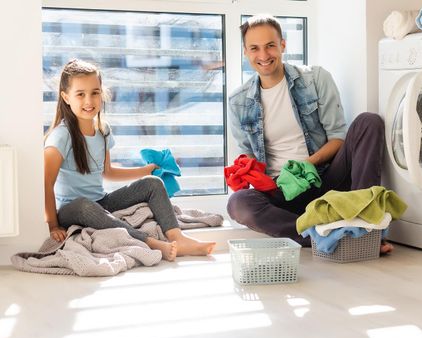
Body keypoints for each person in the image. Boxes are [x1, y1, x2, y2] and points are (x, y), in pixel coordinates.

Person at [227, 14, 392, 253]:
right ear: (245, 52)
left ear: (282, 45)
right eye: (254, 48)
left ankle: (364, 225)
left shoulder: (315, 79)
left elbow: (338, 137)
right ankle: (323, 235)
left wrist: (306, 166)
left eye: (270, 46)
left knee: (369, 122)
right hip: (281, 191)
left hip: (325, 179)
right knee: (238, 204)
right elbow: (247, 158)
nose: (263, 56)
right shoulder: (238, 101)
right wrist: (246, 174)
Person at [44, 59, 215, 261]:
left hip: (100, 202)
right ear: (66, 97)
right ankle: (149, 242)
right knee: (84, 205)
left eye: (95, 93)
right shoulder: (61, 136)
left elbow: (108, 171)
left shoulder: (103, 131)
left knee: (153, 184)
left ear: (102, 93)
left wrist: (146, 170)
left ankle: (178, 238)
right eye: (80, 94)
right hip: (71, 209)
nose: (89, 101)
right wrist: (53, 225)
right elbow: (46, 184)